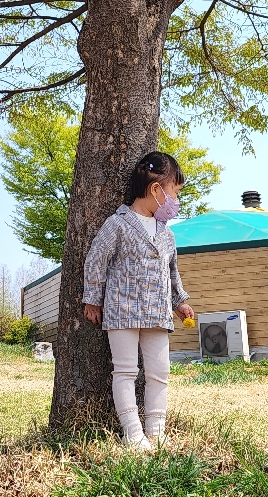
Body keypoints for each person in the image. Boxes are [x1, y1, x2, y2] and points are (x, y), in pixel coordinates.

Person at [83, 151, 196, 450]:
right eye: (175, 192)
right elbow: (96, 260)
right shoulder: (118, 224)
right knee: (126, 371)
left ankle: (156, 431)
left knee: (160, 373)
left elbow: (173, 273)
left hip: (158, 313)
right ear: (157, 190)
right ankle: (133, 433)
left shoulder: (167, 235)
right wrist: (92, 299)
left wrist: (179, 301)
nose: (176, 201)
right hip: (121, 312)